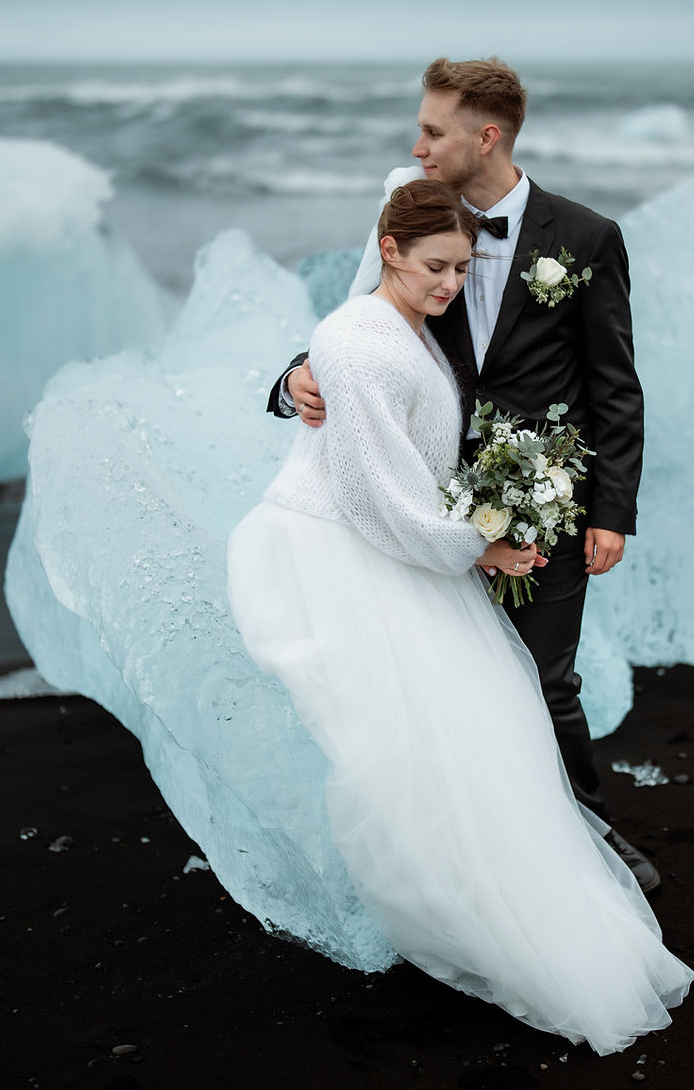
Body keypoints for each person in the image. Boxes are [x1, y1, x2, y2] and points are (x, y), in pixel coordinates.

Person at [230, 179, 692, 1053]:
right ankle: (454, 902)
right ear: (391, 249)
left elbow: (611, 384)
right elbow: (369, 481)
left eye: (462, 268)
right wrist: (476, 546)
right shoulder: (360, 339)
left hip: (450, 531)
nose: (452, 285)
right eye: (436, 266)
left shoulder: (554, 253)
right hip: (372, 552)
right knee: (421, 737)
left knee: (510, 707)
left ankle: (549, 858)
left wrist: (588, 510)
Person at [268, 57, 657, 888]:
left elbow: (614, 387)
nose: (417, 144)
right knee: (457, 691)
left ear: (487, 136)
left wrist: (610, 511)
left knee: (546, 682)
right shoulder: (409, 214)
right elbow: (364, 318)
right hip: (425, 499)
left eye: (433, 130)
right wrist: (294, 375)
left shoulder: (586, 239)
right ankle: (473, 852)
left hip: (538, 507)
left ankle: (589, 836)